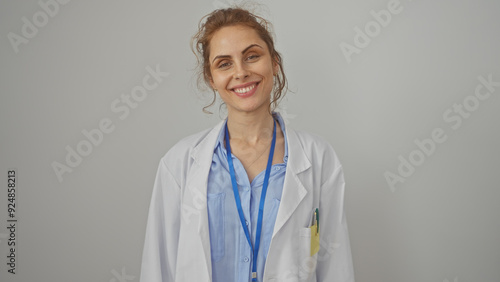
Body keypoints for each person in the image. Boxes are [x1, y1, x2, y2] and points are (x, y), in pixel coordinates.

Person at [140, 6, 354, 282]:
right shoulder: (179, 162)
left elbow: (335, 265)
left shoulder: (318, 157)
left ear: (274, 63)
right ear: (211, 78)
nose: (240, 72)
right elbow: (159, 267)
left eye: (252, 56)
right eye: (224, 63)